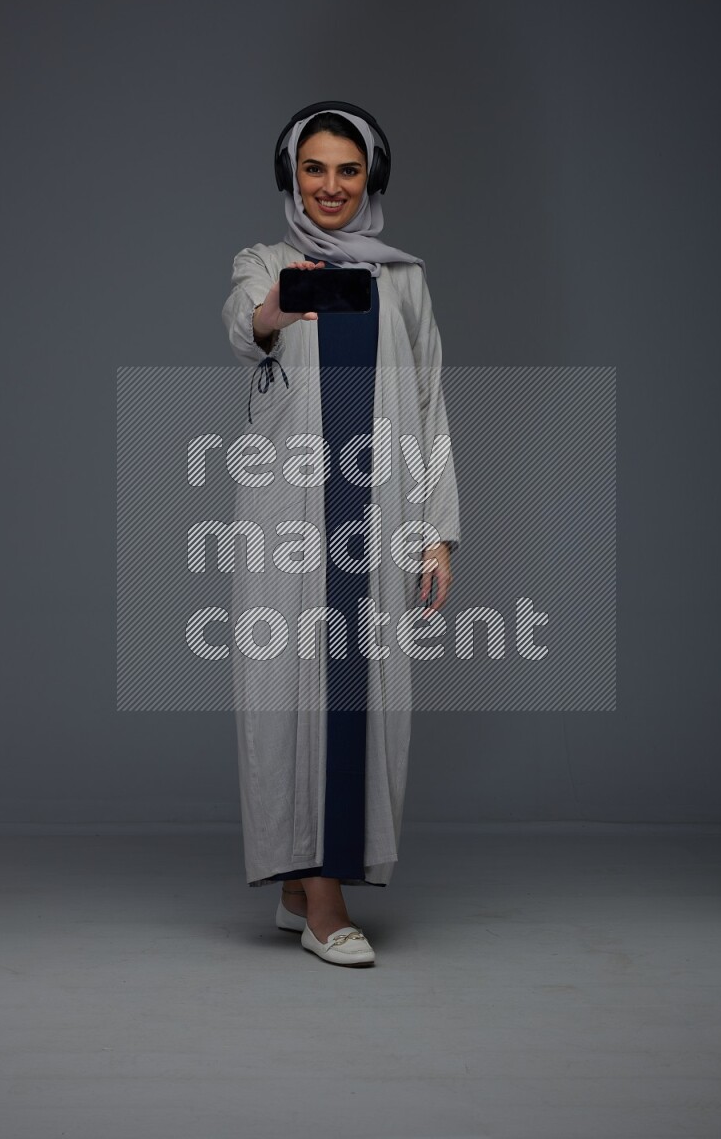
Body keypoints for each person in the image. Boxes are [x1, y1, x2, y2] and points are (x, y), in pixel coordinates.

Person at [221, 101, 461, 967]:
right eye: (315, 169)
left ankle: (299, 884)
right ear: (292, 175)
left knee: (360, 699)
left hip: (379, 516)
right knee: (291, 695)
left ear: (372, 178)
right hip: (291, 521)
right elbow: (248, 323)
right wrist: (292, 298)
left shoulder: (406, 280)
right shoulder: (265, 263)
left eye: (348, 170)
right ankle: (323, 895)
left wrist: (438, 533)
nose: (331, 186)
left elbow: (430, 407)